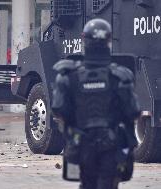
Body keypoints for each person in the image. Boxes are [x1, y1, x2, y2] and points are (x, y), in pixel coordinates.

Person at [51, 18, 140, 189]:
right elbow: (132, 111)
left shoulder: (69, 76)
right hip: (112, 146)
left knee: (87, 184)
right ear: (108, 40)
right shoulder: (120, 76)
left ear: (84, 39)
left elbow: (59, 110)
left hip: (81, 145)